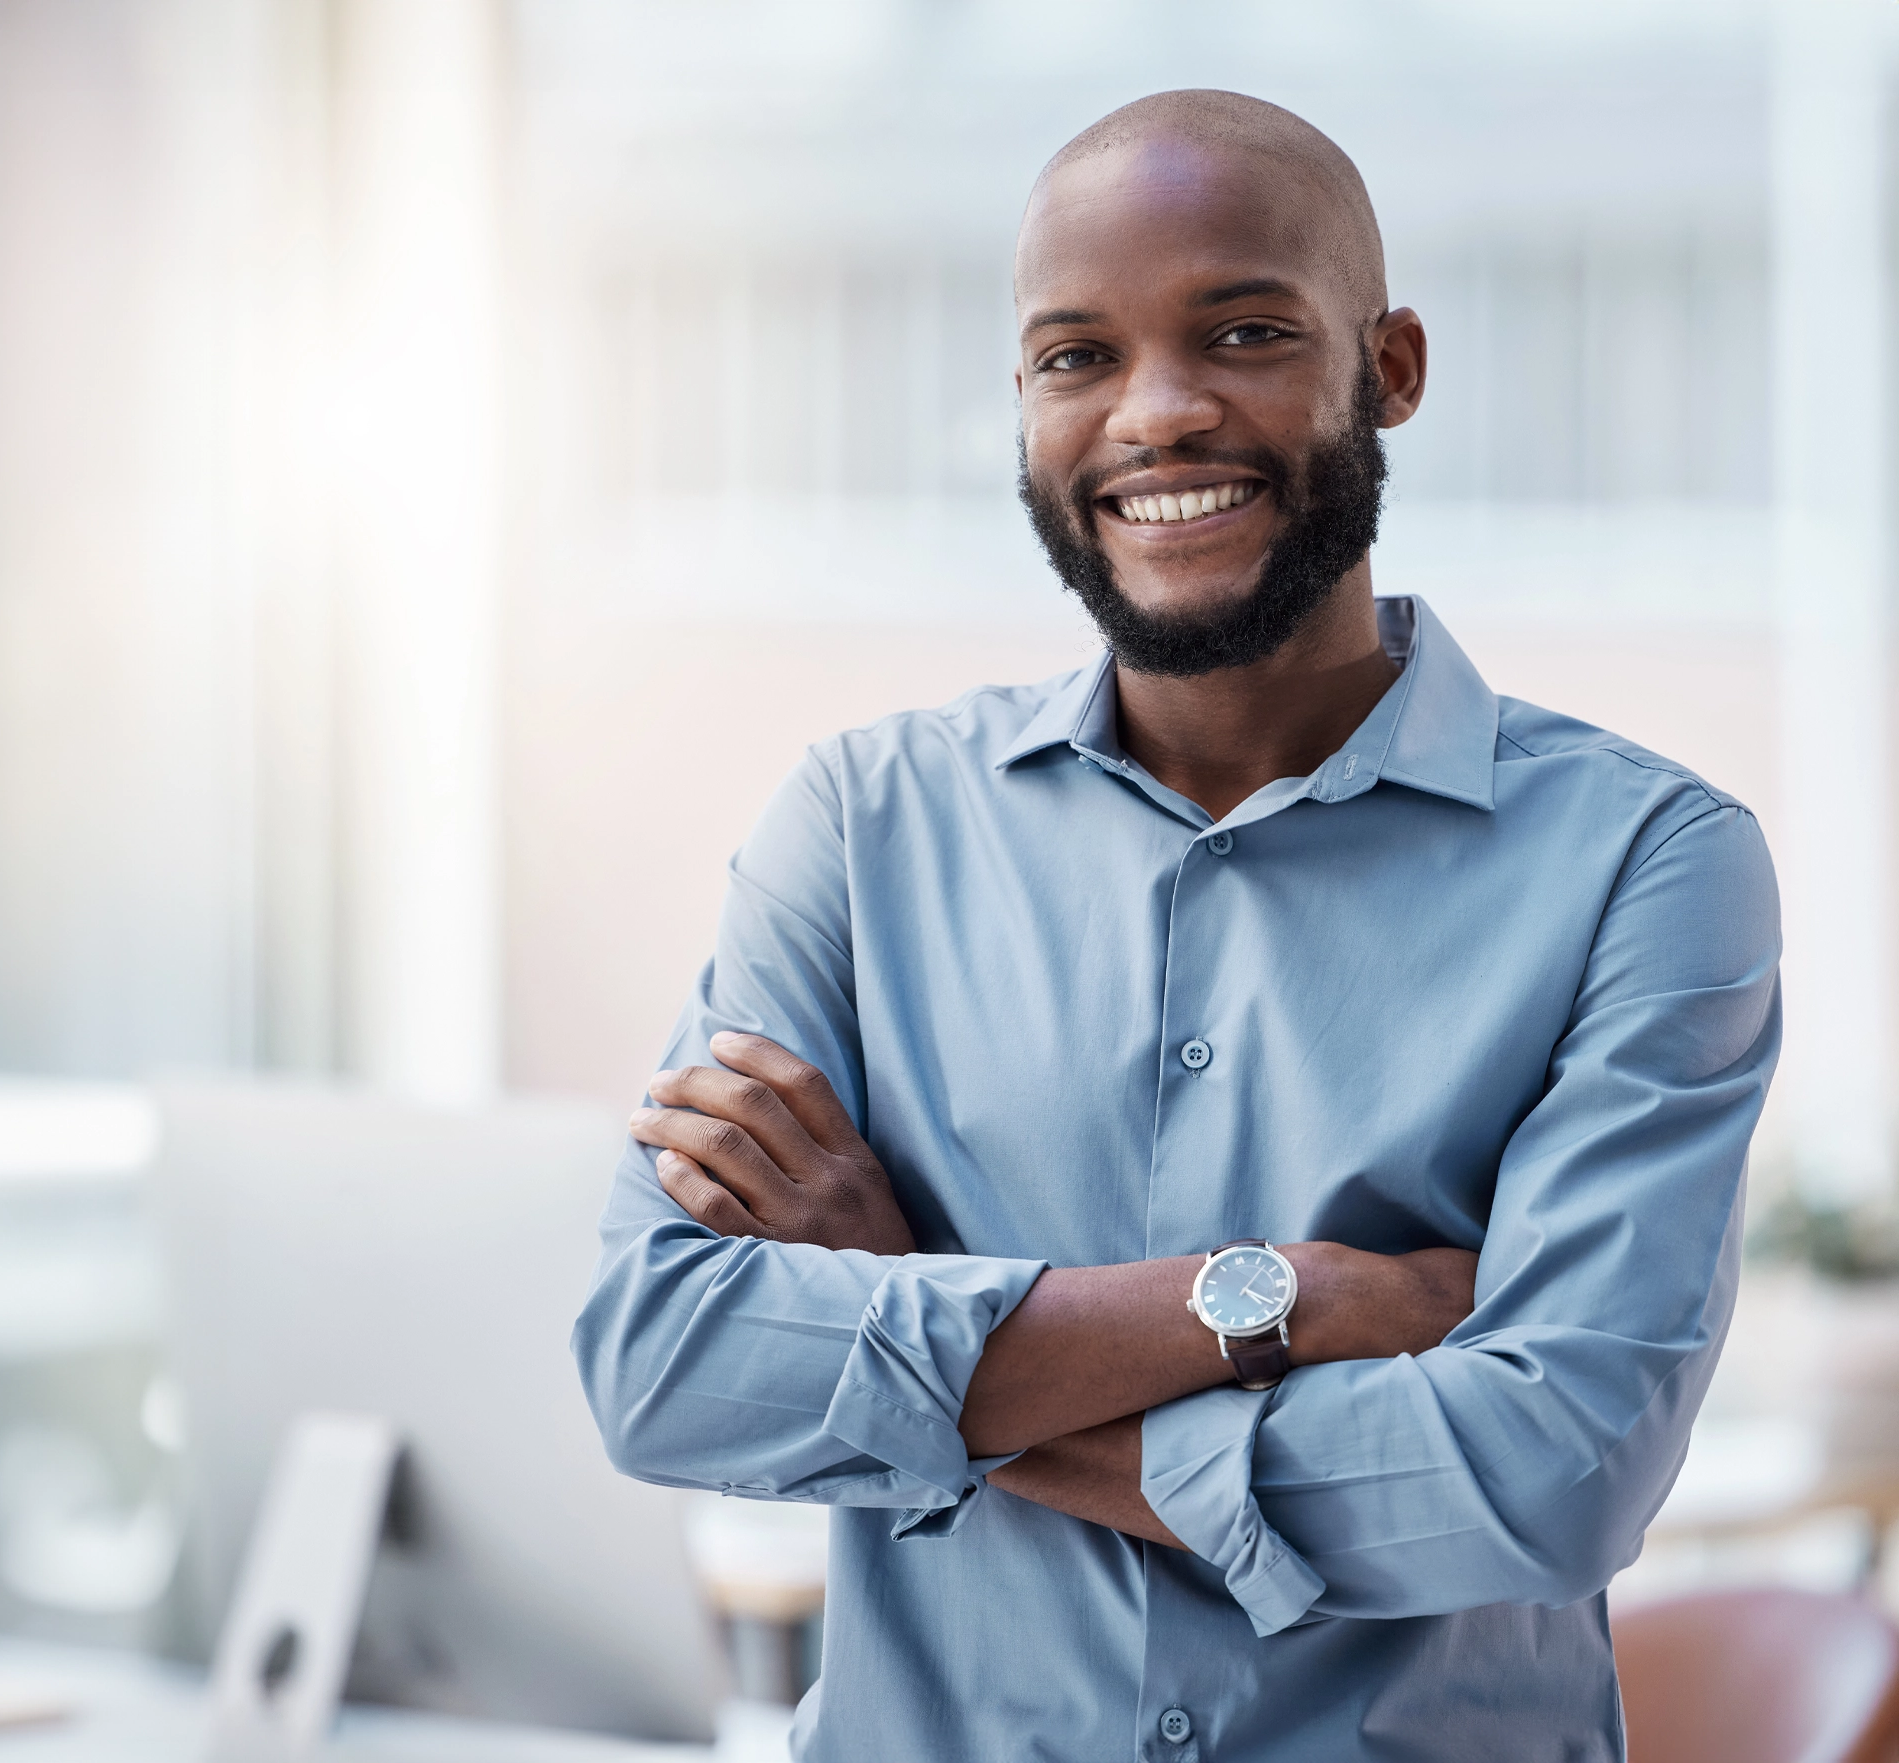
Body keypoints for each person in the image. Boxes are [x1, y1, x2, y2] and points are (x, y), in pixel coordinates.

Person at [571, 89, 1780, 1762]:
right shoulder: (860, 826)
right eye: (1077, 355)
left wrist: (913, 1311)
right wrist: (1277, 1299)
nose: (1158, 411)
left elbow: (1542, 1475)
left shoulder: (1648, 862)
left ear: (1394, 369)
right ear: (1023, 401)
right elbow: (669, 1361)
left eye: (1245, 330)